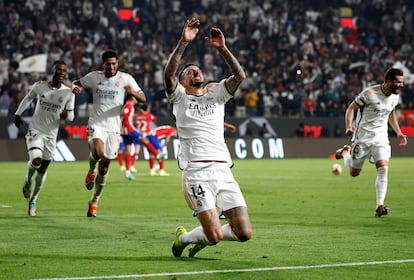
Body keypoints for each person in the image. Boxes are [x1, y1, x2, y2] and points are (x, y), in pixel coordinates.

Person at [164, 18, 252, 257]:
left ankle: (201, 235)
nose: (196, 71)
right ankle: (183, 238)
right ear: (182, 82)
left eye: (198, 69)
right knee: (213, 236)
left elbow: (239, 75)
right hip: (197, 172)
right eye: (189, 72)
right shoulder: (180, 98)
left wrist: (223, 49)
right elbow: (169, 73)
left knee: (243, 233)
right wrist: (183, 43)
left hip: (224, 170)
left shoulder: (216, 94)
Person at [72, 49, 146, 217]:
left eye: (114, 64)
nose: (111, 67)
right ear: (103, 65)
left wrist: (132, 92)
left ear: (117, 64)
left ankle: (94, 201)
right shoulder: (94, 77)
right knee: (97, 152)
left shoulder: (125, 78)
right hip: (97, 123)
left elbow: (143, 98)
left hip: (114, 127)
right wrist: (75, 88)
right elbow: (76, 82)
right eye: (108, 64)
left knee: (104, 169)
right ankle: (91, 171)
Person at [335, 68, 407, 217]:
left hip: (381, 138)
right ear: (388, 81)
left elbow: (390, 113)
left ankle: (379, 205)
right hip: (362, 138)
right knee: (354, 173)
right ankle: (345, 153)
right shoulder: (369, 94)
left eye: (402, 82)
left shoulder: (395, 97)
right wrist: (349, 126)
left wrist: (398, 132)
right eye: (398, 82)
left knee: (383, 168)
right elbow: (351, 108)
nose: (401, 85)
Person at [14, 60, 75, 216]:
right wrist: (18, 113)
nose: (62, 73)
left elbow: (71, 117)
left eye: (64, 71)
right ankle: (27, 181)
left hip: (51, 135)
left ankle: (33, 199)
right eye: (59, 70)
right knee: (36, 160)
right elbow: (28, 98)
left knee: (42, 170)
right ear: (53, 71)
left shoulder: (68, 93)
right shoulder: (39, 86)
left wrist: (66, 115)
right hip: (36, 130)